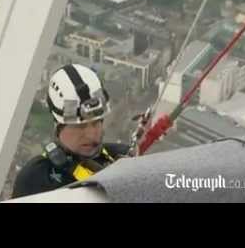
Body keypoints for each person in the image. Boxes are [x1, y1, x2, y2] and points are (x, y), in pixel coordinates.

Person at [12, 63, 148, 199]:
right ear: (59, 125)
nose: (91, 134)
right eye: (80, 126)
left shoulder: (121, 156)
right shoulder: (34, 179)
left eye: (96, 123)